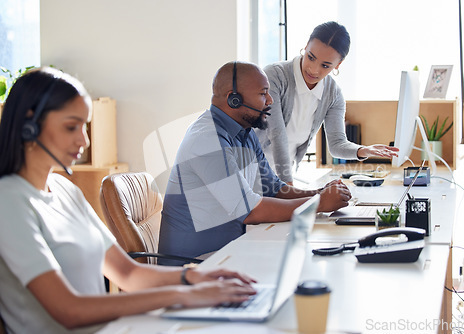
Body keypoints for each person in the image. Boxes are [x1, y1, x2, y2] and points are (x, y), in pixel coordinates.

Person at [0, 67, 257, 334]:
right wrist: (183, 295)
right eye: (71, 127)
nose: (84, 141)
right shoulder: (9, 202)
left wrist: (192, 276)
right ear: (30, 125)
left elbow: (127, 273)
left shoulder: (65, 190)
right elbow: (69, 311)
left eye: (84, 127)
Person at [158, 61, 352, 265]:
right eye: (263, 93)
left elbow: (273, 188)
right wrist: (318, 203)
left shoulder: (245, 133)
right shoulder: (208, 139)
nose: (270, 100)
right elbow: (250, 211)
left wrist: (319, 193)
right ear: (233, 98)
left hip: (226, 252)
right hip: (194, 264)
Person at [255, 21, 399, 184]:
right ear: (306, 45)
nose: (314, 70)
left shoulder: (333, 94)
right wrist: (288, 186)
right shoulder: (275, 75)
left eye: (325, 65)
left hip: (282, 179)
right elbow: (276, 133)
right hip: (252, 174)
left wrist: (362, 150)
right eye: (311, 57)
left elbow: (337, 144)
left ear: (338, 64)